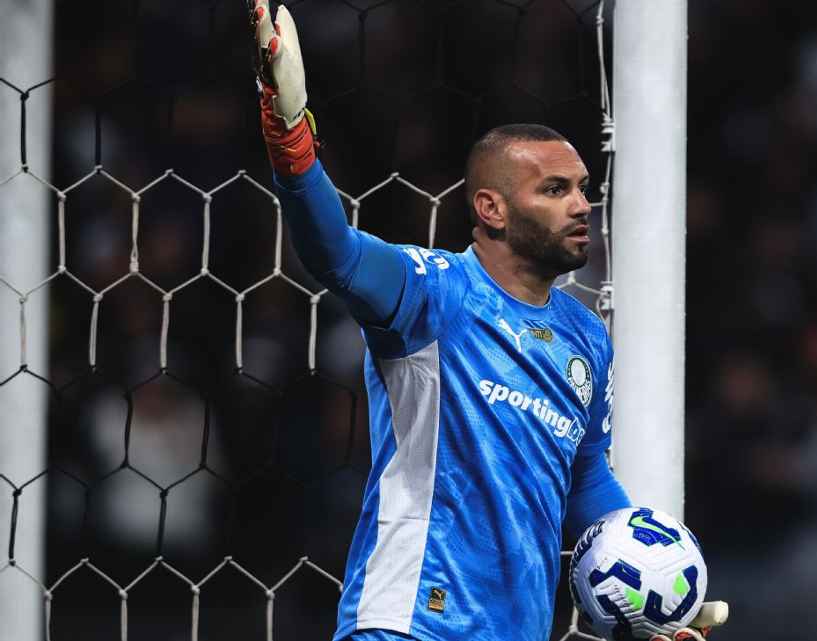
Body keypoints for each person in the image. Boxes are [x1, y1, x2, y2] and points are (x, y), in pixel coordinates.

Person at [248, 2, 728, 640]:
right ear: (491, 209)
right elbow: (336, 254)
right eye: (554, 190)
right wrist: (292, 144)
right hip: (409, 622)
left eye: (583, 188)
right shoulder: (436, 293)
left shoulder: (586, 336)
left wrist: (657, 597)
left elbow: (585, 478)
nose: (581, 206)